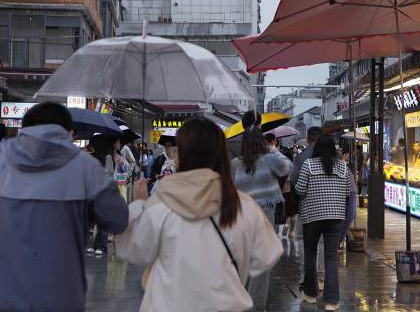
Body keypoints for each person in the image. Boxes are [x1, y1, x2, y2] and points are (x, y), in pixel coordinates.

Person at [0, 102, 128, 312]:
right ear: (69, 132)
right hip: (60, 299)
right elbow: (118, 219)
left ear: (23, 129)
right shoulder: (87, 169)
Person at [114, 117, 282, 312]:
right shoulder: (243, 206)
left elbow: (131, 250)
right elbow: (267, 255)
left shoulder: (160, 205)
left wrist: (139, 205)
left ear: (183, 156)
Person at [231, 111, 292, 312]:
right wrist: (272, 150)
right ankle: (255, 307)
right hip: (266, 215)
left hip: (242, 216)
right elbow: (287, 168)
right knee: (261, 263)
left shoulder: (236, 164)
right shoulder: (270, 159)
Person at [295, 135, 353, 311]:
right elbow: (348, 191)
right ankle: (332, 300)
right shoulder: (343, 167)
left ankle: (311, 295)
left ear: (317, 148)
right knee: (331, 257)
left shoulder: (309, 165)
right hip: (335, 218)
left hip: (312, 217)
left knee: (311, 255)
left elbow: (299, 189)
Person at [86, 135, 116, 256]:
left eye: (92, 145)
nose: (91, 147)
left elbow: (108, 174)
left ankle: (102, 246)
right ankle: (95, 245)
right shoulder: (92, 157)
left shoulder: (107, 157)